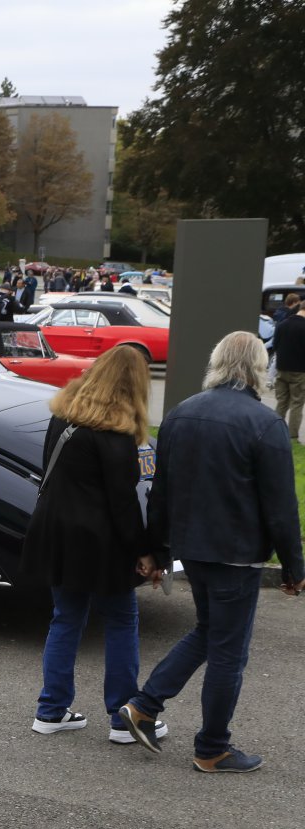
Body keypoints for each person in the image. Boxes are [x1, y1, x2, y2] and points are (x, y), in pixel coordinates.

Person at [118, 333, 304, 772]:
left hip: (192, 548)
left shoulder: (181, 413)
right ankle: (212, 747)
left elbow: (160, 493)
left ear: (216, 363)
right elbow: (281, 507)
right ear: (259, 367)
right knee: (228, 652)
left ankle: (144, 705)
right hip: (236, 554)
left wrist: (158, 549)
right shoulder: (265, 424)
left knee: (209, 632)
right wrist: (294, 567)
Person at [21, 346, 156, 738]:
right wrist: (144, 549)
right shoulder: (117, 433)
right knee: (121, 619)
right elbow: (123, 502)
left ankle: (51, 710)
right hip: (100, 541)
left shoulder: (64, 414)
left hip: (56, 532)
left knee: (66, 618)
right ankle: (122, 717)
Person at [272, 297, 305, 441]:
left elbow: (275, 345)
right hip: (299, 371)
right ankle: (292, 436)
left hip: (281, 369)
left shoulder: (282, 324)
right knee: (297, 403)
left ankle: (274, 432)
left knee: (281, 402)